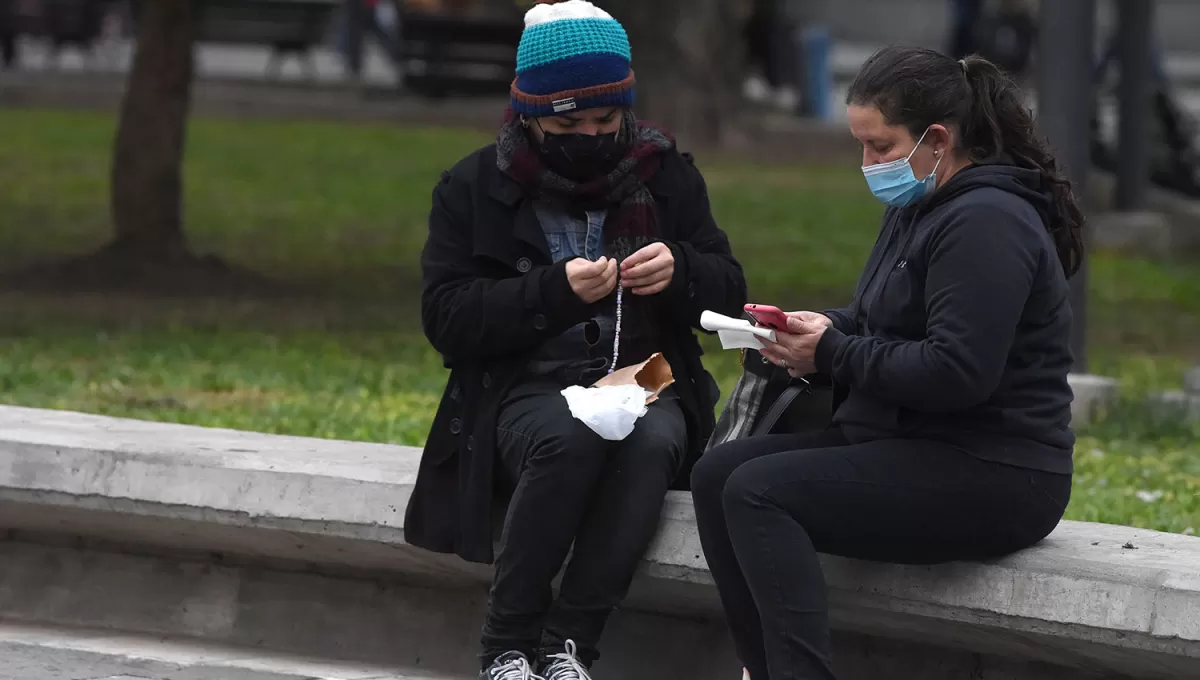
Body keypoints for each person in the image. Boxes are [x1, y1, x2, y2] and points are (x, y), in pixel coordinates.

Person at [692, 45, 1084, 680]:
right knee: (716, 476)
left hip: (996, 469)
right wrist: (813, 330)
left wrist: (834, 352)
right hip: (907, 439)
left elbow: (957, 372)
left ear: (937, 139)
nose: (869, 165)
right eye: (861, 146)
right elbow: (883, 322)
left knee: (758, 492)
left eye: (880, 146)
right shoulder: (919, 206)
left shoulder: (987, 220)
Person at [404, 1, 748, 679]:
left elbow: (730, 293)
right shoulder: (473, 187)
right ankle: (506, 644)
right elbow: (447, 319)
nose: (589, 136)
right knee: (570, 434)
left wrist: (680, 270)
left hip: (648, 371)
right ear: (528, 114)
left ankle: (569, 645)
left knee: (648, 442)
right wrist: (553, 293)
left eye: (605, 121)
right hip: (526, 382)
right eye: (566, 124)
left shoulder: (666, 173)